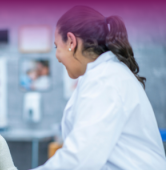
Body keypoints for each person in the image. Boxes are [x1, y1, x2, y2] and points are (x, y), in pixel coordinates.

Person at [33, 6, 166, 170]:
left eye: (56, 47)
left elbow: (81, 159)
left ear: (71, 42)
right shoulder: (104, 75)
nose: (57, 56)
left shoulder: (105, 80)